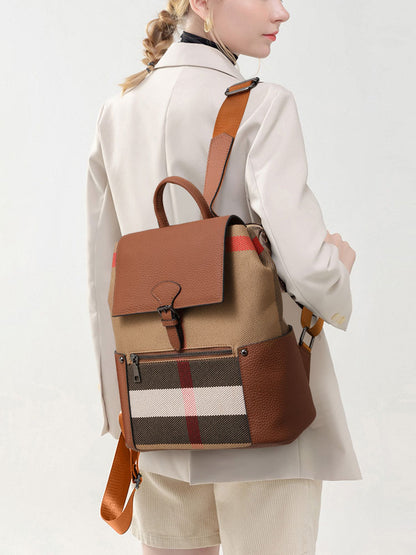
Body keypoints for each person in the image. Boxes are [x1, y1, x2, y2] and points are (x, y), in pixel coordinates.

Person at [86, 1, 362, 553]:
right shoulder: (260, 104)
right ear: (202, 3)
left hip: (156, 402)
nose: (281, 12)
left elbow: (103, 275)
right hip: (259, 398)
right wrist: (337, 267)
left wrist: (122, 411)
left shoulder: (117, 112)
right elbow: (307, 266)